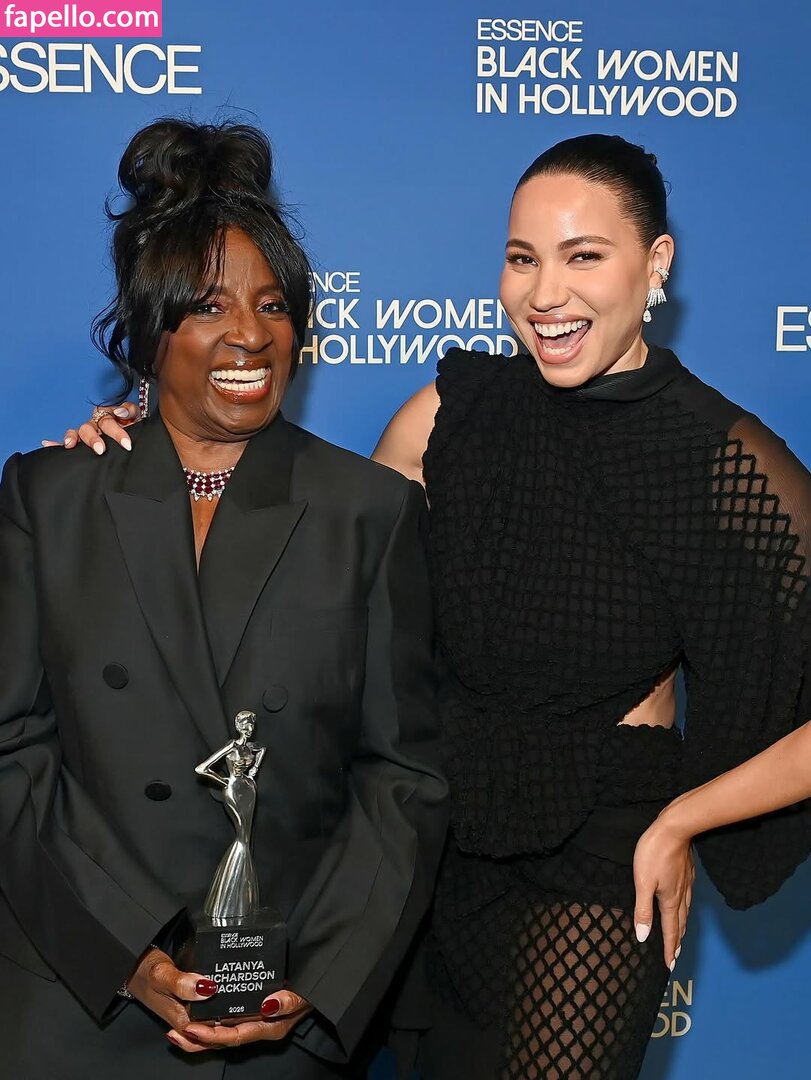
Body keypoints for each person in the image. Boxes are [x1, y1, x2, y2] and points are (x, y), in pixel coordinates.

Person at [58, 133, 811, 1078]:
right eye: (522, 258)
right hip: (427, 849)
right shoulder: (447, 416)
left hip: (593, 862)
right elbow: (306, 557)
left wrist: (682, 819)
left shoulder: (723, 461)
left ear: (655, 263)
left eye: (583, 257)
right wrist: (156, 439)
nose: (546, 294)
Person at [0, 118, 448, 1080]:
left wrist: (314, 981)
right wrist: (127, 952)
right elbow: (12, 750)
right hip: (78, 988)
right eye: (209, 305)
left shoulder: (368, 511)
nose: (251, 333)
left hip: (278, 1005)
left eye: (273, 304)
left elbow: (402, 777)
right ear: (151, 330)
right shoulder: (51, 497)